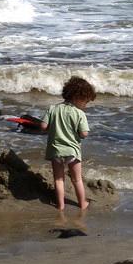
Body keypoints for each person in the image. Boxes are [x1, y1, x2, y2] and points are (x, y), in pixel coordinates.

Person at [41, 76, 95, 211]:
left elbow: (43, 126)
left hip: (55, 150)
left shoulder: (52, 109)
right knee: (77, 179)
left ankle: (60, 205)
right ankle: (82, 203)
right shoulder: (79, 113)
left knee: (59, 179)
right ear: (78, 97)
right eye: (86, 102)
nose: (86, 105)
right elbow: (84, 134)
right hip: (72, 151)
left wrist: (51, 128)